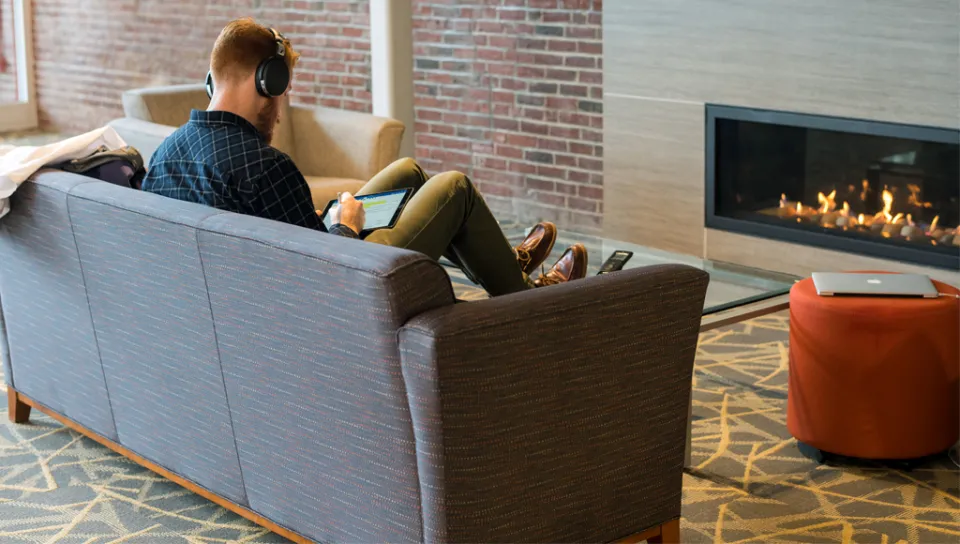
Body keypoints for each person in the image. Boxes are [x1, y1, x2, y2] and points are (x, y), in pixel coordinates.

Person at [142, 18, 588, 296]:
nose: (279, 113)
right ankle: (531, 295)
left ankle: (502, 262)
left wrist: (324, 222)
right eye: (283, 92)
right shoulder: (266, 167)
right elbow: (324, 279)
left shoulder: (164, 156)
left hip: (248, 291)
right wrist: (344, 227)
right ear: (267, 82)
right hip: (344, 294)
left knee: (407, 172)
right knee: (455, 188)